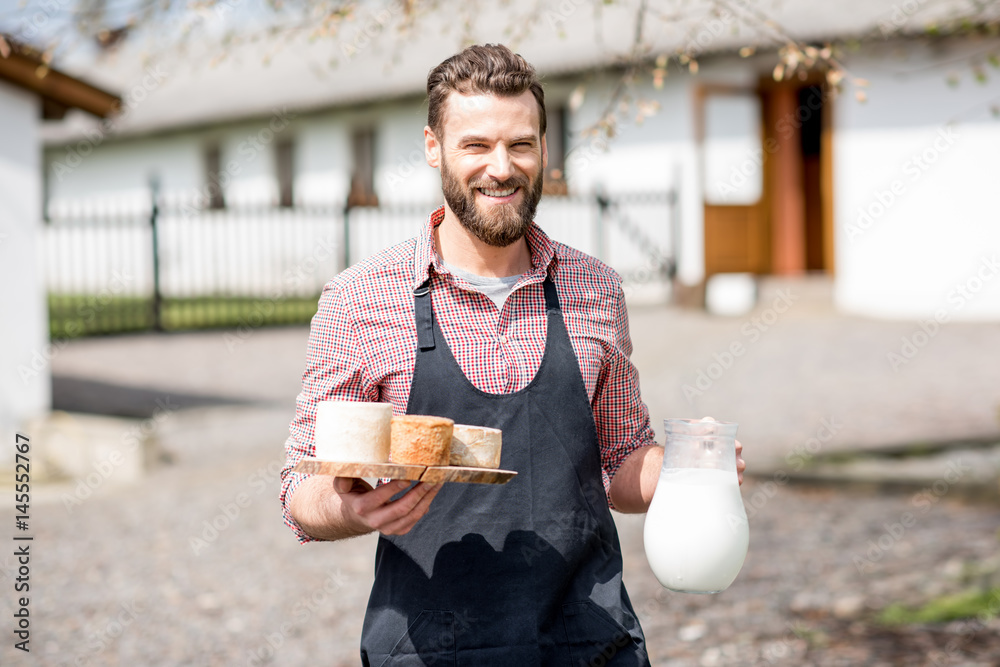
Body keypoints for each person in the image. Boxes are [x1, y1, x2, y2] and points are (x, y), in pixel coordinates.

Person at [280, 43, 745, 666]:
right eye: (476, 145)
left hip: (587, 640)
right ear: (432, 147)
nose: (502, 167)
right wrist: (351, 506)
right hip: (430, 649)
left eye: (521, 145)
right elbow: (299, 491)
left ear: (544, 151)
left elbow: (619, 462)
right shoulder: (362, 298)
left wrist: (688, 471)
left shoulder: (595, 288)